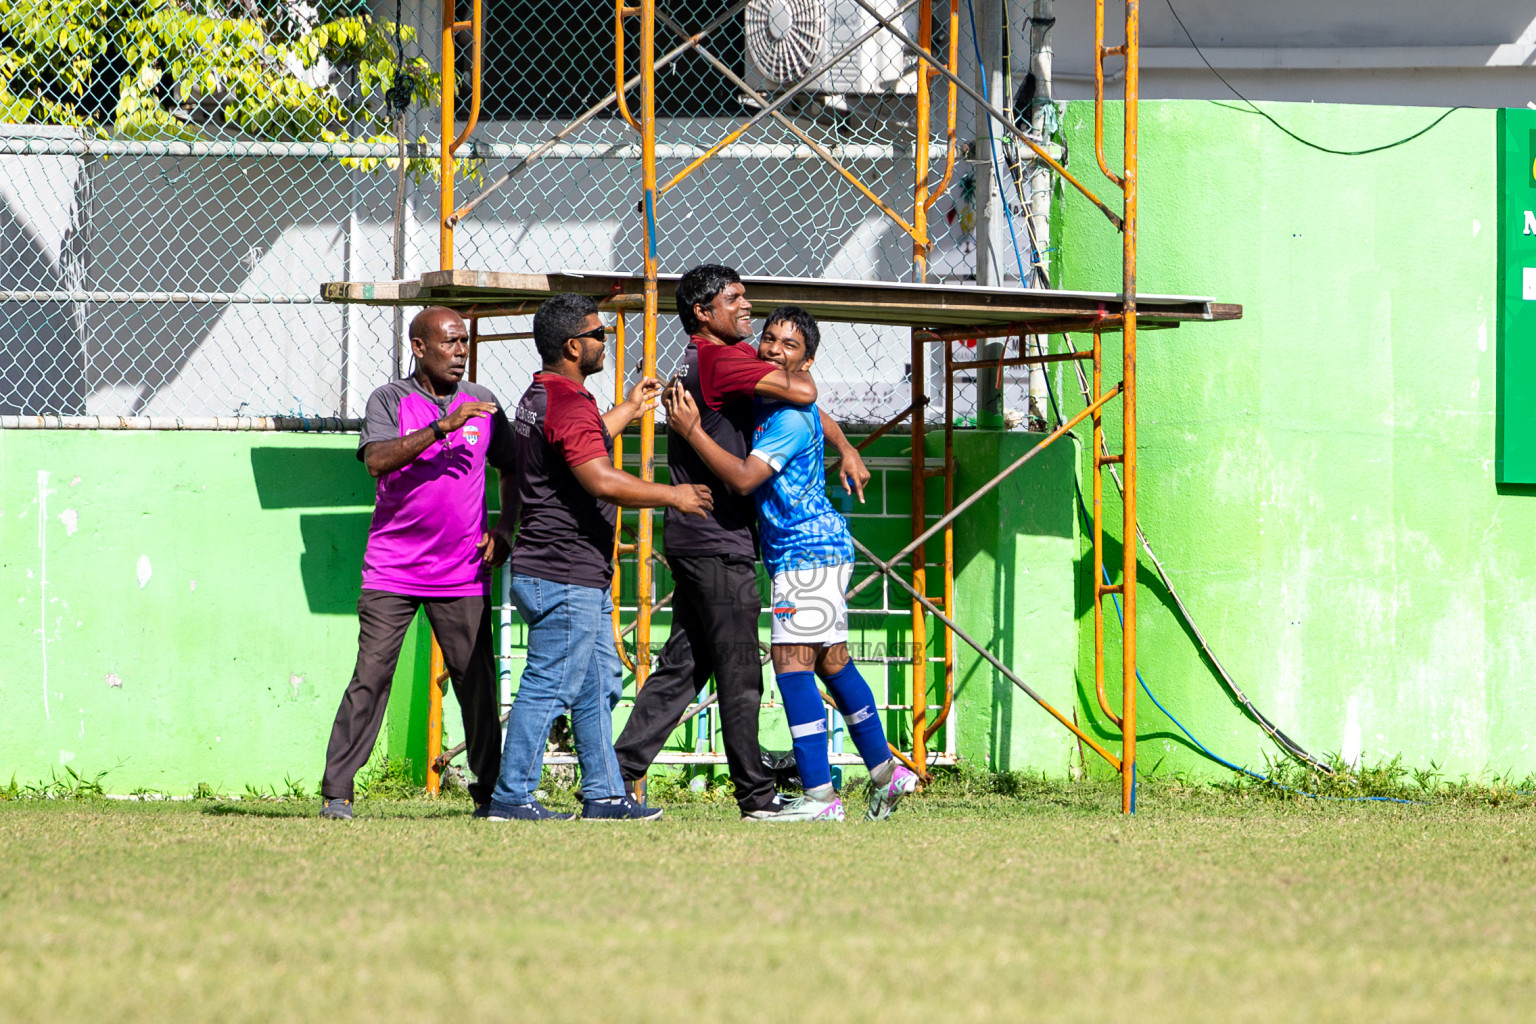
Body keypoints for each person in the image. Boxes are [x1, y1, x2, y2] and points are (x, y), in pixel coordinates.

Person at [611, 265, 871, 820]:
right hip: (717, 538)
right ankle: (757, 796)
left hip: (700, 537)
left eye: (746, 295)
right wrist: (797, 376)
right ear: (704, 312)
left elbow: (799, 403)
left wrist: (845, 445)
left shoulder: (714, 358)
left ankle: (621, 771)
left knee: (686, 664)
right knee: (742, 671)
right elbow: (804, 389)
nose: (747, 305)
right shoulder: (724, 359)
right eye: (734, 298)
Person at [663, 305, 918, 822]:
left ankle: (820, 797)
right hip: (812, 552)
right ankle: (888, 773)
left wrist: (691, 431)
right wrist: (845, 445)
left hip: (807, 554)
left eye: (790, 345)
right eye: (770, 339)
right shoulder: (774, 396)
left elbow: (741, 479)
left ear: (808, 361)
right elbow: (821, 415)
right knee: (831, 661)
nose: (775, 349)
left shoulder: (786, 420)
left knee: (791, 664)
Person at [484, 293, 714, 822]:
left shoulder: (543, 396)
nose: (605, 340)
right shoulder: (567, 401)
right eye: (598, 334)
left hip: (560, 567)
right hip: (563, 571)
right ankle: (511, 795)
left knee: (594, 683)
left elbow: (574, 448)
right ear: (572, 346)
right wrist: (673, 495)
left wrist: (629, 411)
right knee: (550, 684)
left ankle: (605, 794)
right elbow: (597, 477)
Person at [320, 307, 514, 820]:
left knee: (476, 680)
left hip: (463, 573)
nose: (460, 351)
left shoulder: (485, 402)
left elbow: (516, 470)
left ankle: (491, 793)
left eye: (464, 342)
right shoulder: (390, 399)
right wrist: (442, 428)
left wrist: (505, 529)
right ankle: (337, 790)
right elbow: (376, 460)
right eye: (449, 342)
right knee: (372, 676)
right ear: (419, 347)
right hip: (393, 570)